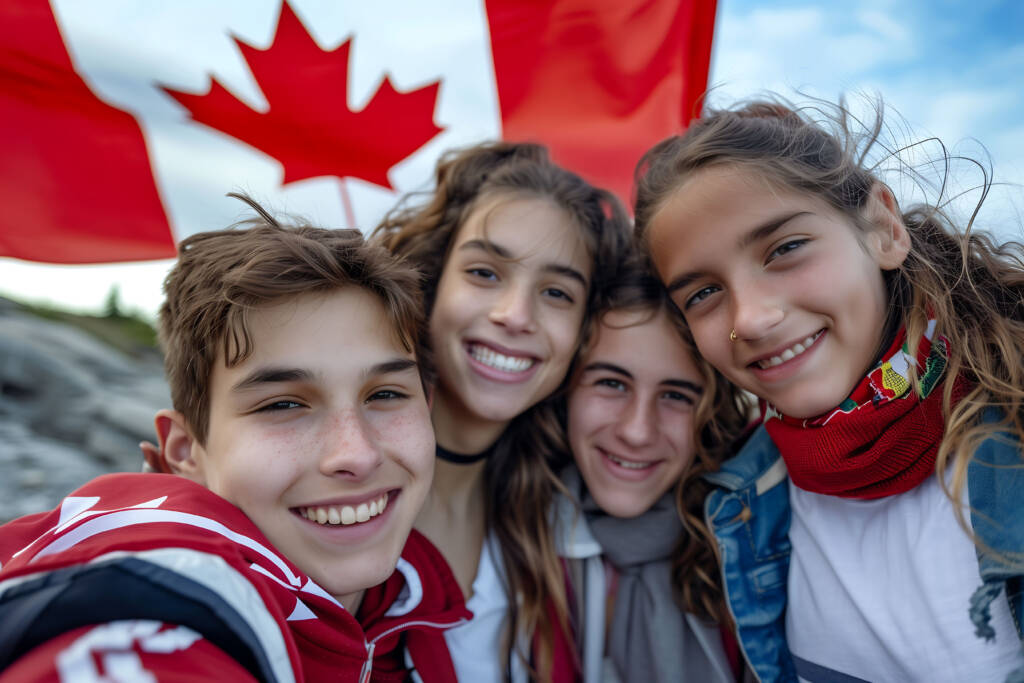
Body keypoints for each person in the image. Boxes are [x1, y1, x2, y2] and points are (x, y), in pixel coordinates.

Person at [633, 98, 1024, 682]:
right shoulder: (740, 501)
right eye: (703, 294)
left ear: (884, 229)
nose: (753, 319)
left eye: (785, 249)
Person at [0, 195, 469, 682]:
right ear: (184, 452)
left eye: (387, 394)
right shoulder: (156, 585)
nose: (356, 454)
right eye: (283, 404)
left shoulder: (419, 607)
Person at [373, 142, 630, 682]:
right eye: (485, 273)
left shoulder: (561, 529)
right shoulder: (328, 497)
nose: (515, 316)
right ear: (430, 281)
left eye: (557, 292)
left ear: (584, 332)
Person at [554, 260, 753, 683]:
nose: (637, 431)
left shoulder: (752, 552)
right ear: (565, 387)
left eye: (677, 395)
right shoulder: (510, 537)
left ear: (712, 413)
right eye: (611, 383)